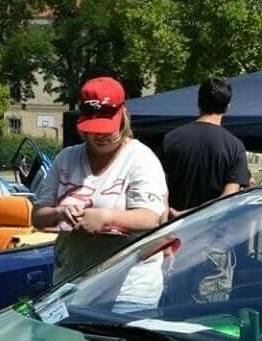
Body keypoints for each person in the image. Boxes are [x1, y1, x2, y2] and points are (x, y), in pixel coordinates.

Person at [32, 76, 168, 292]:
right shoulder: (66, 158)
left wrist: (105, 218)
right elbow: (38, 217)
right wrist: (60, 213)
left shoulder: (140, 158)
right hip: (70, 284)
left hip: (127, 289)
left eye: (107, 127)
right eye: (94, 128)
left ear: (123, 117)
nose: (101, 135)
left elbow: (151, 217)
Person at [162, 77, 250, 217]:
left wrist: (174, 215)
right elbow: (228, 199)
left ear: (198, 102)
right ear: (227, 107)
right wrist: (185, 215)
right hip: (212, 228)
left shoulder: (170, 138)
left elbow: (159, 188)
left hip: (171, 226)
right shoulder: (235, 147)